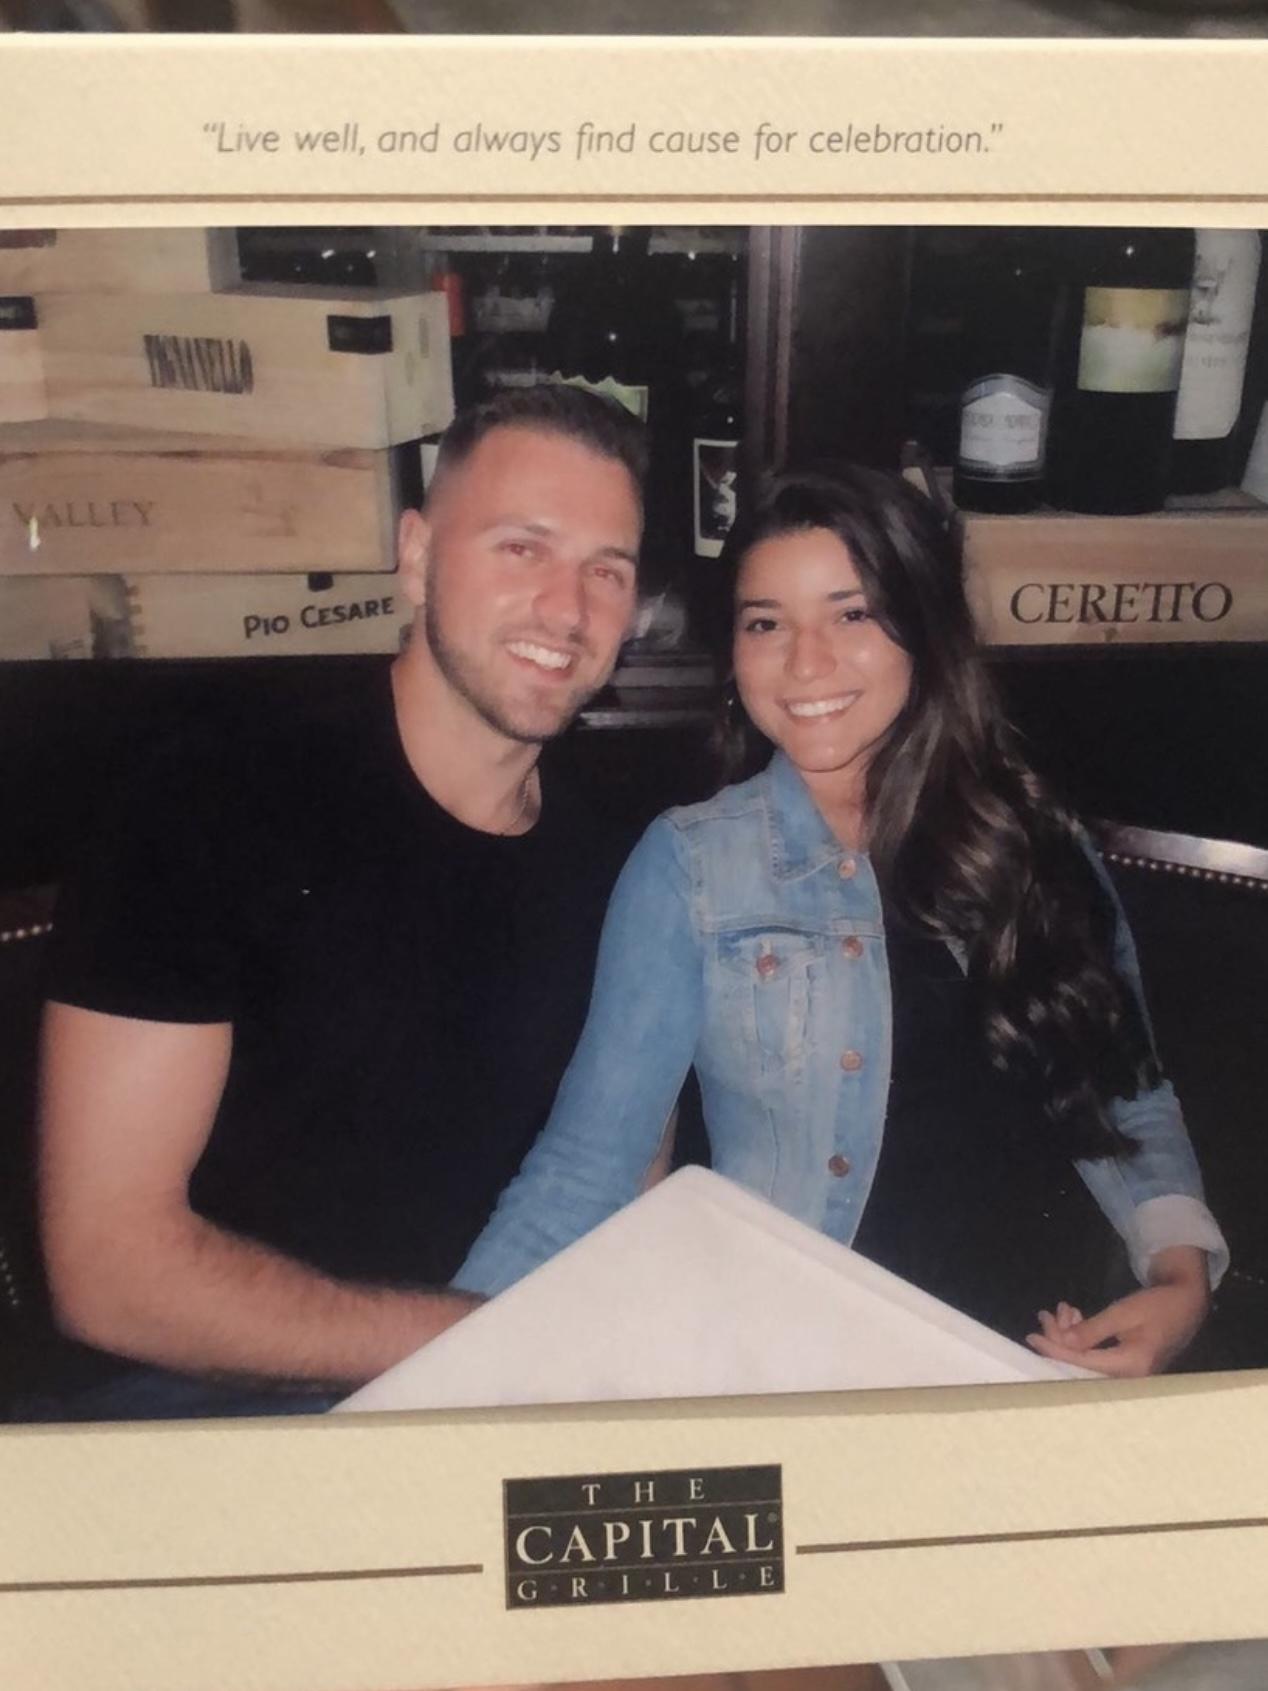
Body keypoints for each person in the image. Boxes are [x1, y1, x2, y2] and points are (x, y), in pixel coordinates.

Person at [453, 463, 1227, 1378]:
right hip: (811, 1378)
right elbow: (588, 1164)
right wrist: (435, 1384)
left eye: (851, 614)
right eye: (766, 623)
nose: (806, 661)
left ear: (923, 629)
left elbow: (1126, 1092)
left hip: (1039, 1366)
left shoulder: (1037, 839)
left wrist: (1181, 1279)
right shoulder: (695, 865)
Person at [20, 383, 647, 1420]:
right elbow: (108, 1271)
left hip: (485, 1403)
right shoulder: (208, 799)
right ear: (415, 556)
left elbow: (627, 1196)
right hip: (190, 1403)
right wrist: (483, 1344)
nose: (567, 609)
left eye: (606, 570)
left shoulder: (619, 866)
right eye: (521, 548)